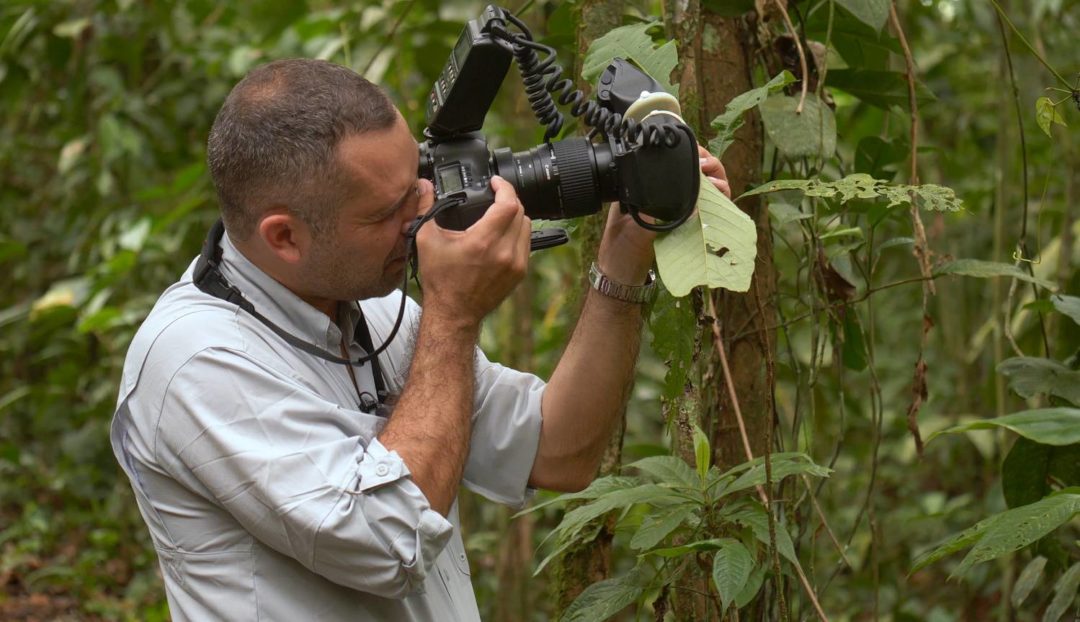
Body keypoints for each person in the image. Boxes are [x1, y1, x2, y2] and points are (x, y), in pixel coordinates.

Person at [111, 58, 730, 621]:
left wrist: (622, 259)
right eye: (391, 210)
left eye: (421, 178)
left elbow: (559, 451)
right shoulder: (196, 359)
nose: (428, 211)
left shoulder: (373, 313)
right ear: (285, 238)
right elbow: (390, 543)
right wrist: (454, 315)